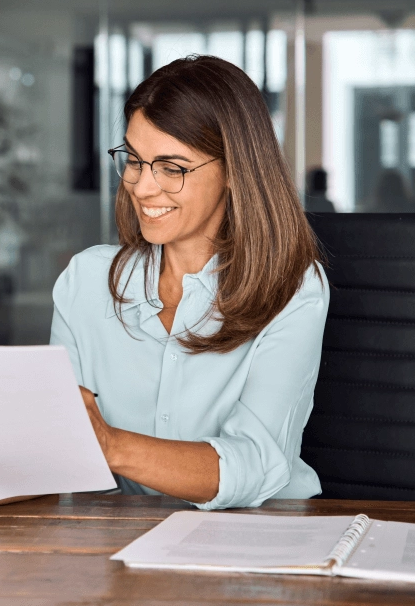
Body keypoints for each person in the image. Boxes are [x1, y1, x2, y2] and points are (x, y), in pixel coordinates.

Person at [49, 55, 328, 509]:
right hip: (120, 542)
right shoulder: (86, 280)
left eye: (172, 168)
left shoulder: (292, 287)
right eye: (135, 160)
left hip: (258, 543)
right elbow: (60, 454)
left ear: (235, 170)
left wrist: (111, 445)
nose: (140, 187)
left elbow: (257, 461)